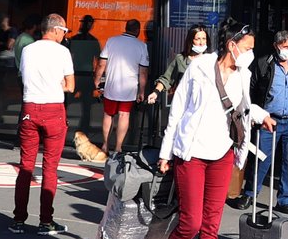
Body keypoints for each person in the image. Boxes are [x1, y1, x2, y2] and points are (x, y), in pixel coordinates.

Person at [153, 23, 268, 239]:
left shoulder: (245, 74)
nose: (250, 54)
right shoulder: (200, 66)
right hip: (192, 153)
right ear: (231, 45)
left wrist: (261, 114)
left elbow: (242, 108)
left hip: (222, 154)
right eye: (247, 47)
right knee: (190, 223)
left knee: (211, 228)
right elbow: (178, 108)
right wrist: (166, 152)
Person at [13, 13, 75, 235]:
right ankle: (45, 221)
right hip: (53, 110)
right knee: (50, 168)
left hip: (30, 108)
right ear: (57, 30)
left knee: (26, 166)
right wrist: (60, 84)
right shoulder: (63, 52)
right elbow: (70, 85)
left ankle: (18, 219)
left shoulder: (28, 49)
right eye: (65, 31)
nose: (64, 35)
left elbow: (22, 76)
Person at [249, 30, 288, 213]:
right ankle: (250, 194)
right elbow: (253, 89)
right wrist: (254, 114)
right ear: (276, 46)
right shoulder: (264, 64)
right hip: (270, 119)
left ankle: (284, 199)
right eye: (285, 47)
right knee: (262, 157)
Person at [96, 18, 149, 156]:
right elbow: (143, 72)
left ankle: (105, 145)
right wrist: (142, 91)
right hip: (129, 87)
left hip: (112, 85)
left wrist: (96, 80)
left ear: (126, 27)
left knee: (108, 114)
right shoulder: (141, 46)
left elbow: (102, 64)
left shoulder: (111, 41)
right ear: (137, 30)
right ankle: (118, 147)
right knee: (124, 115)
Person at [147, 23, 209, 105]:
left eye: (204, 39)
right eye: (197, 39)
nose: (201, 43)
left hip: (204, 105)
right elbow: (166, 79)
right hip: (184, 104)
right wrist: (155, 92)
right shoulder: (181, 59)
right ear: (191, 41)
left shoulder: (211, 60)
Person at [67, 15, 103, 134]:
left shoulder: (74, 39)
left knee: (68, 101)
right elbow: (98, 61)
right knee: (86, 105)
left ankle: (62, 122)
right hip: (87, 75)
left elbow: (69, 58)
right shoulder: (93, 41)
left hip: (76, 74)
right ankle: (84, 128)